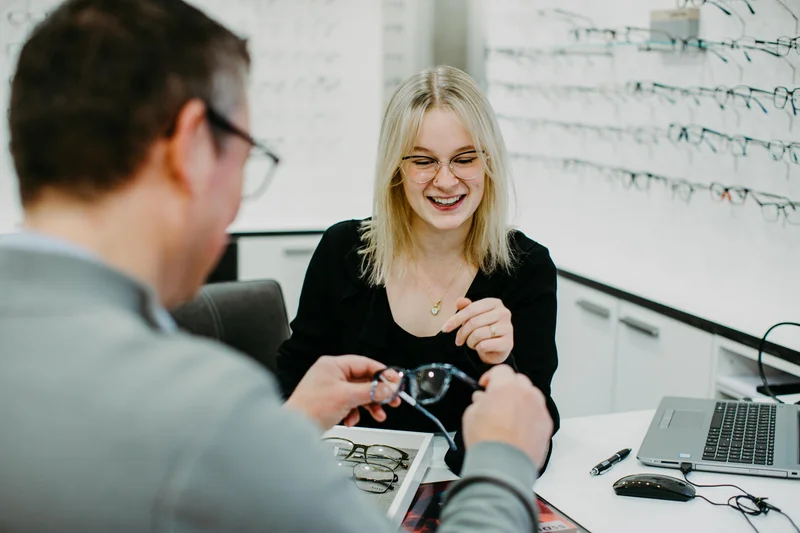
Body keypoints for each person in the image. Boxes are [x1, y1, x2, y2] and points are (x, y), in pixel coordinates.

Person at [0, 1, 553, 532]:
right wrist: (501, 464)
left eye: (463, 159)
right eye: (245, 155)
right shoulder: (200, 408)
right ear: (192, 148)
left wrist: (281, 429)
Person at [276, 65, 560, 471]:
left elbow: (528, 447)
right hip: (350, 488)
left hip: (463, 496)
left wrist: (501, 364)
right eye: (424, 161)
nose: (445, 181)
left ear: (489, 163)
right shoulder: (344, 251)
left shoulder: (526, 268)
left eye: (464, 159)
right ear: (396, 168)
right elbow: (292, 391)